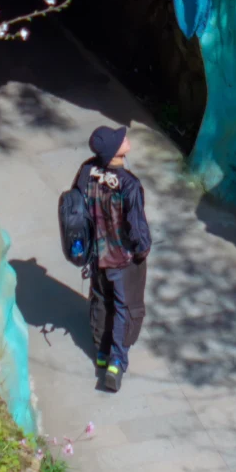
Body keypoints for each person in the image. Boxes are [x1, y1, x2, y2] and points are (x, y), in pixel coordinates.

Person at [74, 124, 151, 392]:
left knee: (101, 298)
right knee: (122, 307)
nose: (125, 138)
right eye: (120, 139)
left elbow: (76, 209)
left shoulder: (86, 171)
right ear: (114, 153)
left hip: (96, 255)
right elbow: (137, 227)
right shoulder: (129, 184)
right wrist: (142, 250)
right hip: (121, 258)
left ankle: (101, 353)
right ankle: (117, 362)